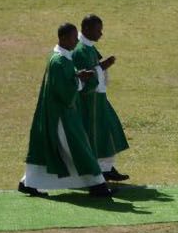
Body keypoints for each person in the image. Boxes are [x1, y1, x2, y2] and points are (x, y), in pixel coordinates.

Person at [19, 23, 112, 200]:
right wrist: (80, 80)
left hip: (62, 112)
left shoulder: (62, 58)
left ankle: (27, 183)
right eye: (72, 38)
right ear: (62, 38)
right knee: (79, 147)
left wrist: (78, 76)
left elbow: (66, 81)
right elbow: (63, 90)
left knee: (57, 149)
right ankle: (97, 185)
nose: (76, 41)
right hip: (61, 114)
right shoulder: (59, 61)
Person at [73, 14, 129, 183]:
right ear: (86, 29)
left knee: (110, 129)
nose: (101, 34)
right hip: (89, 100)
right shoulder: (80, 49)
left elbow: (94, 67)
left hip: (98, 97)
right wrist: (105, 65)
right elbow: (85, 76)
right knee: (98, 134)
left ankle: (106, 168)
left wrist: (102, 66)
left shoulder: (88, 46)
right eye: (98, 30)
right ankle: (100, 172)